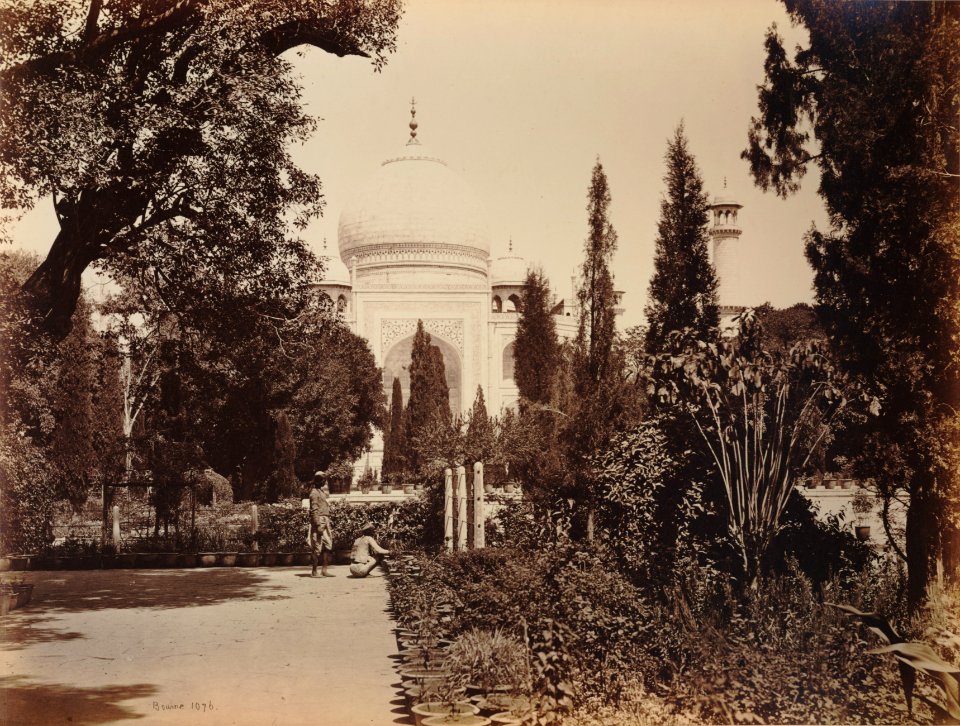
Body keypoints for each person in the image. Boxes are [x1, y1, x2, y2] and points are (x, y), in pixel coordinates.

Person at [308, 472, 334, 577]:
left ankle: (324, 570)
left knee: (328, 545)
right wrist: (318, 524)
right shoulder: (314, 493)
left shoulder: (321, 492)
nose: (325, 482)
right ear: (318, 481)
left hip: (325, 520)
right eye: (323, 480)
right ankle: (314, 571)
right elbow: (314, 510)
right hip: (319, 521)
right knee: (317, 546)